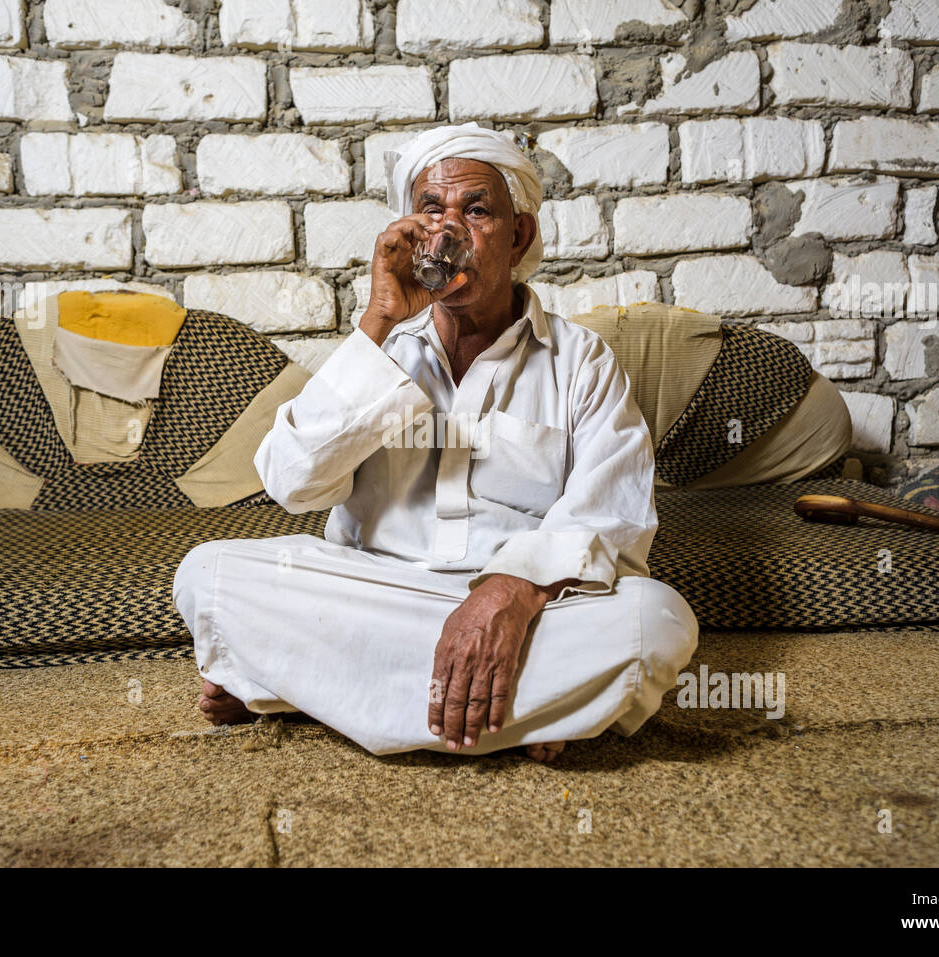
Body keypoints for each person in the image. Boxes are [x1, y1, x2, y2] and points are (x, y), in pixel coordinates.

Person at [172, 122, 698, 762]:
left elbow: (613, 517)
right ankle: (527, 710)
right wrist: (379, 320)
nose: (450, 232)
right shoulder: (382, 346)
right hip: (378, 593)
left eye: (476, 210)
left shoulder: (581, 360)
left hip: (521, 615)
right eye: (430, 210)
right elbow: (292, 481)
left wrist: (510, 591)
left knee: (657, 622)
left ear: (518, 235)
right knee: (210, 575)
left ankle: (302, 687)